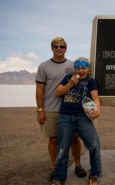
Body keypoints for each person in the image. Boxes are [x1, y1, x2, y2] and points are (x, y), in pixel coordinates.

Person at [35, 37, 87, 181]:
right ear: (51, 48)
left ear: (66, 48)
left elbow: (84, 82)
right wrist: (40, 109)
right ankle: (55, 168)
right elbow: (40, 89)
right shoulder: (43, 66)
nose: (59, 49)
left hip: (71, 109)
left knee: (74, 139)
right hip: (51, 109)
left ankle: (78, 165)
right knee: (53, 140)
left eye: (61, 46)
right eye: (55, 46)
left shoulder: (73, 65)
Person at [52, 57, 102, 185]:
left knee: (94, 144)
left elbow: (95, 97)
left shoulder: (91, 81)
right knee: (62, 148)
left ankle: (94, 174)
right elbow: (57, 92)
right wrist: (70, 84)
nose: (81, 70)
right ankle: (59, 178)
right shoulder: (68, 77)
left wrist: (98, 110)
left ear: (87, 69)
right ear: (75, 69)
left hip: (82, 117)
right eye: (78, 68)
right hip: (65, 117)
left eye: (83, 68)